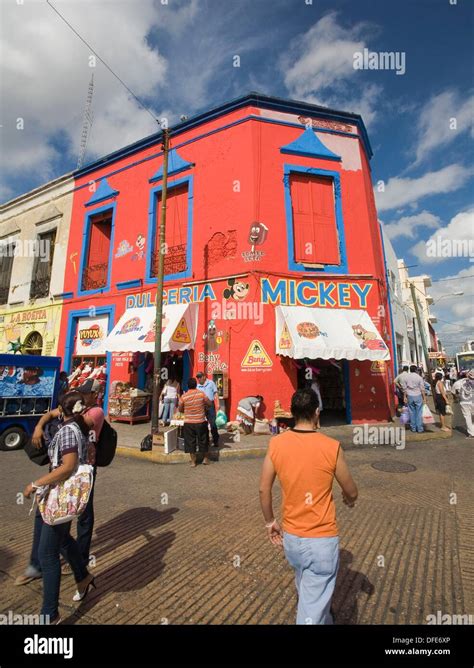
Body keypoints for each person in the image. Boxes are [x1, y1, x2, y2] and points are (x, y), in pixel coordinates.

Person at [259, 388, 358, 625]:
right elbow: (351, 490)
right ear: (316, 412)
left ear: (292, 413)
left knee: (307, 588)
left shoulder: (276, 444)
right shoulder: (331, 446)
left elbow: (264, 489)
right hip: (321, 538)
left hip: (292, 539)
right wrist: (349, 499)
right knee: (310, 613)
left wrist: (270, 522)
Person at [22, 391, 96, 624]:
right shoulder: (80, 426)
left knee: (47, 554)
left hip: (60, 496)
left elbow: (67, 467)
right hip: (67, 496)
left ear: (62, 412)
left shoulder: (67, 432)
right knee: (64, 541)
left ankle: (49, 613)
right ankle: (83, 577)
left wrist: (35, 484)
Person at [24, 378, 104, 578]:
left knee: (81, 516)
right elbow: (51, 414)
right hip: (60, 470)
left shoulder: (95, 412)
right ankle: (38, 564)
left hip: (81, 472)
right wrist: (39, 426)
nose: (83, 395)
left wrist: (66, 410)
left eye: (86, 392)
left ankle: (79, 562)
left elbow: (73, 423)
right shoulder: (73, 411)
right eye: (81, 392)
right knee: (48, 518)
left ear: (94, 395)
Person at [178, 377, 211, 467]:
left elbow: (180, 409)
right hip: (201, 421)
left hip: (189, 423)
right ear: (196, 385)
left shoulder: (184, 396)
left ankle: (193, 462)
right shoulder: (201, 394)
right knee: (203, 440)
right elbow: (209, 403)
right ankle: (205, 459)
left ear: (187, 386)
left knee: (190, 442)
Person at [196, 371, 219, 447]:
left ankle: (216, 440)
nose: (199, 379)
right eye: (198, 377)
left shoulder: (211, 383)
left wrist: (218, 403)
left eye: (200, 377)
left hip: (210, 405)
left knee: (212, 423)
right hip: (201, 406)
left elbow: (215, 393)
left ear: (204, 376)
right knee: (203, 424)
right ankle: (206, 441)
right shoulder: (197, 386)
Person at [402, 365, 427, 433]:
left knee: (411, 412)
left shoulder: (406, 377)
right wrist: (424, 398)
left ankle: (413, 428)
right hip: (418, 395)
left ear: (410, 370)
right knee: (419, 412)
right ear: (416, 370)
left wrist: (405, 397)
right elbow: (422, 389)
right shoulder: (419, 377)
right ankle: (419, 428)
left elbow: (405, 389)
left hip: (410, 395)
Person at [452, 369, 474, 438]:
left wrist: (456, 397)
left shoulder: (458, 382)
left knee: (467, 417)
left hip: (464, 402)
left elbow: (453, 392)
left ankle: (472, 433)